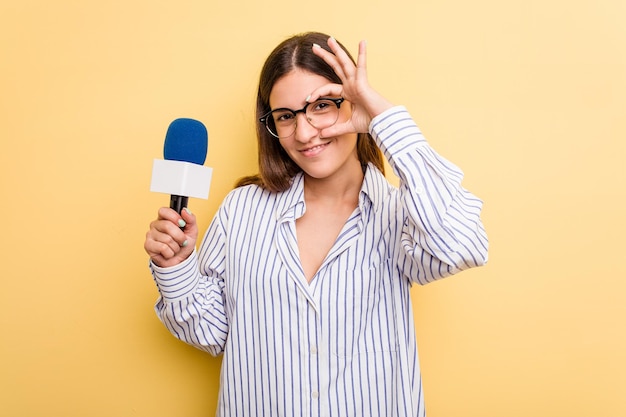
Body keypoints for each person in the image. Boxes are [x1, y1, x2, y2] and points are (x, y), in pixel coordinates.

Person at [144, 31, 488, 417]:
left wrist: (383, 120)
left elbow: (463, 245)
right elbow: (211, 334)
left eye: (321, 106)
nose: (304, 133)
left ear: (351, 102)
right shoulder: (242, 210)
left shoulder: (401, 214)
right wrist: (175, 268)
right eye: (286, 116)